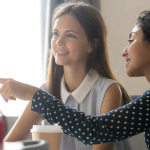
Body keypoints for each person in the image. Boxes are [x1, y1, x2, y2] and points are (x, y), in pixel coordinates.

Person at [1, 3, 150, 150]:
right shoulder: (47, 90)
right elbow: (8, 146)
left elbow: (95, 130)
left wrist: (32, 94)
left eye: (70, 35)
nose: (59, 42)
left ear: (92, 45)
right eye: (55, 34)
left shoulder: (108, 90)